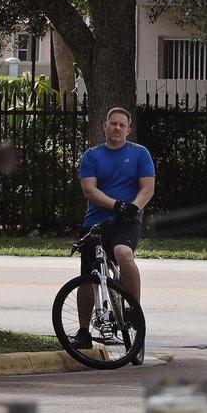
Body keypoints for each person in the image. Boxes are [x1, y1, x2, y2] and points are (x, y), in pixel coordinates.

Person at [73, 107, 155, 362]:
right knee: (88, 277)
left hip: (126, 221)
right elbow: (89, 190)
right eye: (113, 124)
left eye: (122, 125)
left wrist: (132, 207)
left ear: (128, 130)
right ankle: (84, 331)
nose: (117, 128)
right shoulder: (92, 156)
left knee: (122, 252)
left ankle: (133, 311)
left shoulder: (140, 154)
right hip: (96, 222)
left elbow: (147, 188)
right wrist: (115, 204)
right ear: (104, 127)